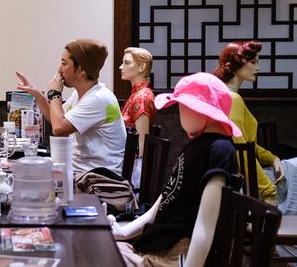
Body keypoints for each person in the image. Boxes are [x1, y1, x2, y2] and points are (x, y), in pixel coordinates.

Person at [110, 72, 239, 266]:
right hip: (155, 245)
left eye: (182, 106)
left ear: (202, 110)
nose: (179, 112)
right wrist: (123, 232)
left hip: (174, 253)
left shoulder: (220, 150)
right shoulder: (197, 145)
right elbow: (164, 202)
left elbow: (205, 225)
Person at [16, 38, 126, 175]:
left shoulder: (98, 99)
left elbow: (59, 128)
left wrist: (54, 93)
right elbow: (55, 117)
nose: (59, 70)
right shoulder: (80, 95)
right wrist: (36, 93)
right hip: (80, 172)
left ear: (82, 70)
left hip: (99, 178)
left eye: (64, 63)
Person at [213, 40, 284, 205]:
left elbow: (246, 143)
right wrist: (267, 189)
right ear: (236, 64)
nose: (257, 67)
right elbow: (241, 149)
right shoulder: (232, 99)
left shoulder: (224, 95)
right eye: (253, 62)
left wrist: (273, 158)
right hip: (239, 178)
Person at [119, 47, 156, 188]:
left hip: (134, 166)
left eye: (127, 63)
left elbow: (142, 142)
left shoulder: (142, 97)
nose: (121, 67)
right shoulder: (136, 94)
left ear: (141, 66)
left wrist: (137, 174)